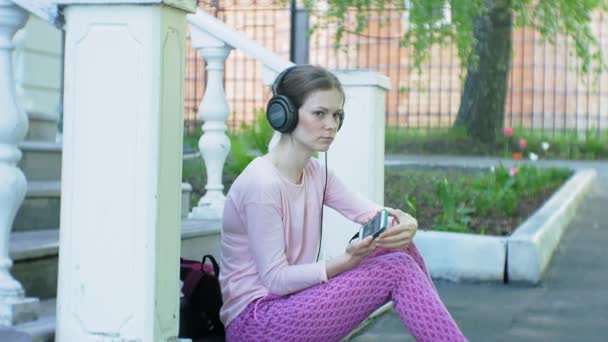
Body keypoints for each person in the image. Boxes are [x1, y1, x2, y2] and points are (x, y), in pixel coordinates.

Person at [219, 64, 467, 341]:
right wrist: (346, 261)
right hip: (258, 323)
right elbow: (275, 280)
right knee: (397, 269)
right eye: (319, 113)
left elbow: (373, 214)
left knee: (399, 243)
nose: (331, 125)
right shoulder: (262, 184)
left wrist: (407, 222)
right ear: (284, 115)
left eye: (337, 115)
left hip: (293, 304)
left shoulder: (317, 174)